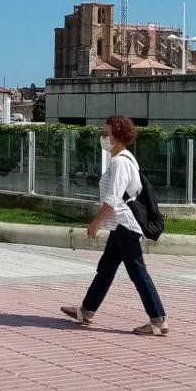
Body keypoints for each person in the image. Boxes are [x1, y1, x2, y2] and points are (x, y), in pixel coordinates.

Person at [60, 115, 169, 336]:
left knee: (138, 273)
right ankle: (86, 311)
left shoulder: (120, 162)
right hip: (120, 225)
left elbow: (112, 199)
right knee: (106, 270)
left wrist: (95, 224)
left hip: (123, 224)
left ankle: (158, 320)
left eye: (106, 133)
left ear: (118, 137)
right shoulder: (126, 158)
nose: (102, 137)